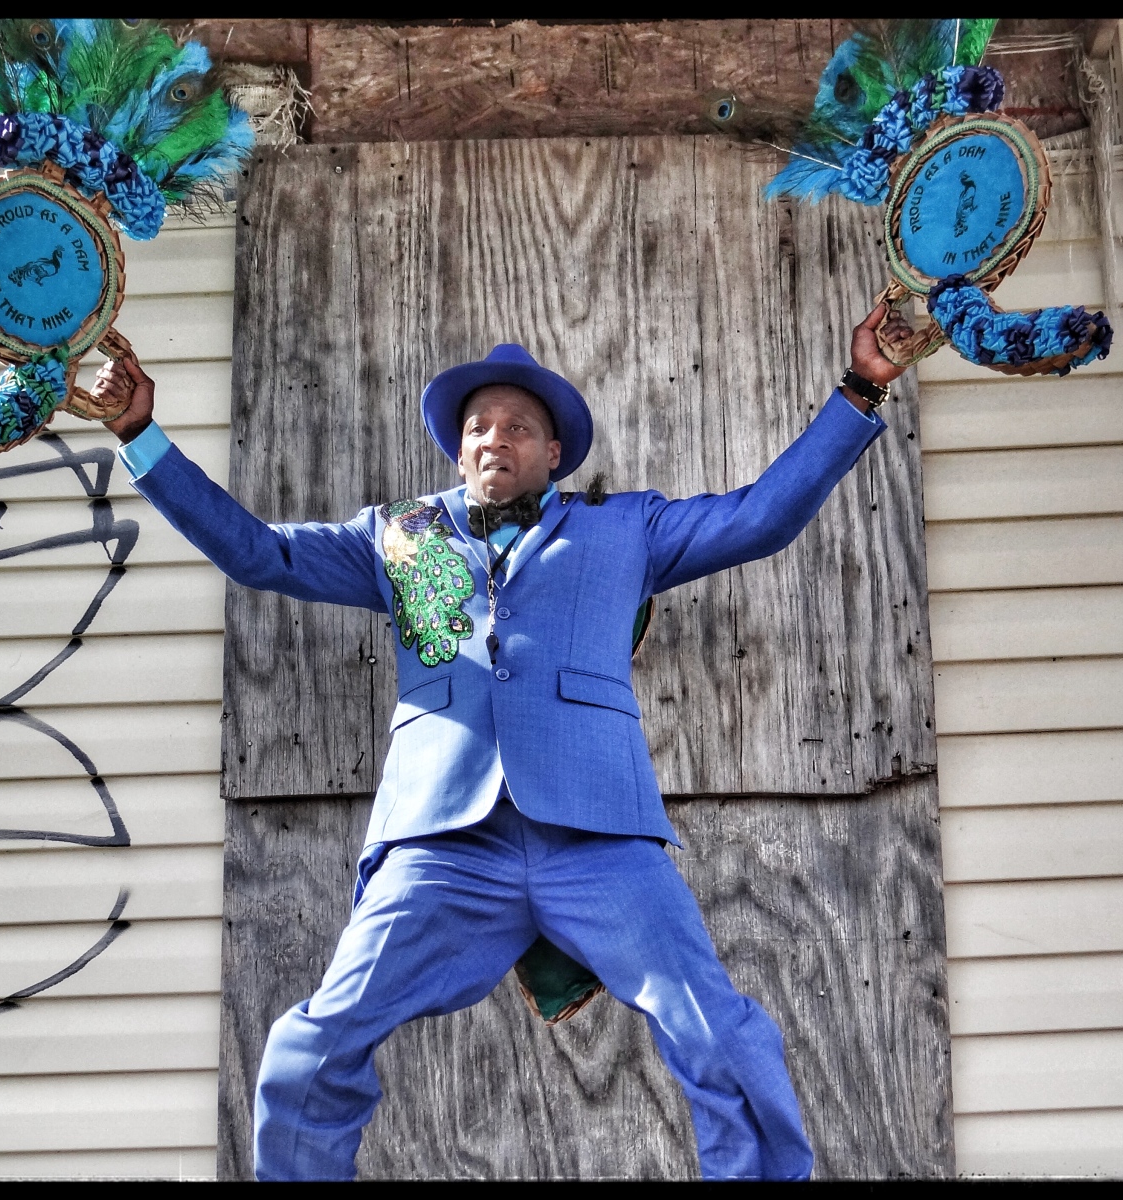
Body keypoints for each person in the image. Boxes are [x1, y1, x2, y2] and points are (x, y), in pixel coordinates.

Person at [91, 303, 905, 1180]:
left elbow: (760, 519)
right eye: (477, 426)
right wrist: (140, 432)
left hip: (599, 841)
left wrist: (860, 387)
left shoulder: (623, 528)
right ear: (458, 447)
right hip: (442, 846)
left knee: (723, 1036)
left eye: (518, 427)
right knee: (312, 1042)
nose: (494, 439)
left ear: (553, 454)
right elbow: (258, 554)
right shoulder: (401, 537)